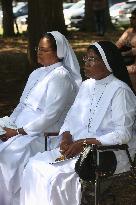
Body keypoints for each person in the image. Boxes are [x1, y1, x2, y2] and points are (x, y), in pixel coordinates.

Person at [20, 41, 136, 205]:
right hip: (78, 149)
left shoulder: (120, 91)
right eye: (85, 59)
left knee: (54, 177)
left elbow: (122, 135)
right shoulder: (86, 85)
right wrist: (66, 137)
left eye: (92, 59)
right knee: (33, 165)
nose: (86, 64)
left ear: (107, 62)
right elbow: (70, 118)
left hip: (105, 154)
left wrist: (85, 142)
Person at [0, 31, 82, 205]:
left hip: (41, 135)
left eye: (44, 50)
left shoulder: (60, 77)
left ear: (58, 53)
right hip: (19, 127)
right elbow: (22, 105)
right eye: (38, 48)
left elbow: (50, 116)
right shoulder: (36, 73)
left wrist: (16, 132)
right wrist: (7, 124)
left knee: (7, 156)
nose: (38, 52)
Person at [116, 8, 136, 91]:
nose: (131, 20)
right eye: (131, 18)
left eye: (134, 18)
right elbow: (117, 45)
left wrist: (124, 54)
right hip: (126, 62)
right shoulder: (129, 31)